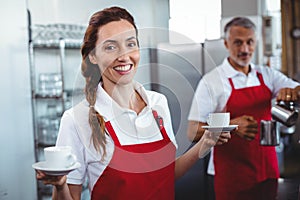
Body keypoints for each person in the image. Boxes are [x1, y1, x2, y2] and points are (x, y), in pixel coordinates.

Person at [35, 6, 231, 200]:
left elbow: (165, 175)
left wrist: (206, 142)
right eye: (111, 47)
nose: (124, 56)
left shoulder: (158, 103)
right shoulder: (77, 119)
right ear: (93, 56)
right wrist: (61, 187)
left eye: (130, 44)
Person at [187, 16, 300, 200]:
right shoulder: (212, 81)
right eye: (238, 43)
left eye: (250, 42)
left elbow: (297, 89)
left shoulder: (266, 75)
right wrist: (232, 126)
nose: (245, 49)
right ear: (226, 43)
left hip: (267, 166)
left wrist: (293, 91)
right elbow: (192, 131)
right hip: (231, 173)